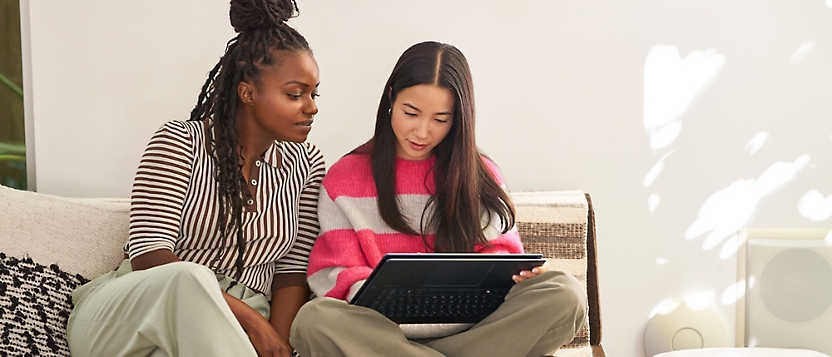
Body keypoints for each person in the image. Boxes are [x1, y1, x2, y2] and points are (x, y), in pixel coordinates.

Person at [290, 41, 587, 357]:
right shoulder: (343, 177)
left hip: (477, 333)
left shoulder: (480, 175)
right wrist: (399, 296)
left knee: (565, 293)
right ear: (391, 98)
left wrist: (521, 277)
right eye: (411, 113)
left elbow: (502, 257)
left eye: (440, 119)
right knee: (313, 320)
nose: (421, 132)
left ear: (458, 118)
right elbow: (335, 274)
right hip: (379, 336)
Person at [65, 1, 323, 356]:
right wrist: (252, 321)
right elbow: (148, 255)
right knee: (191, 277)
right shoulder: (180, 143)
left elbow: (292, 272)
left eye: (314, 94)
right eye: (295, 94)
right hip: (134, 312)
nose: (311, 107)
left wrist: (277, 344)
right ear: (247, 92)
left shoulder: (306, 164)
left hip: (220, 334)